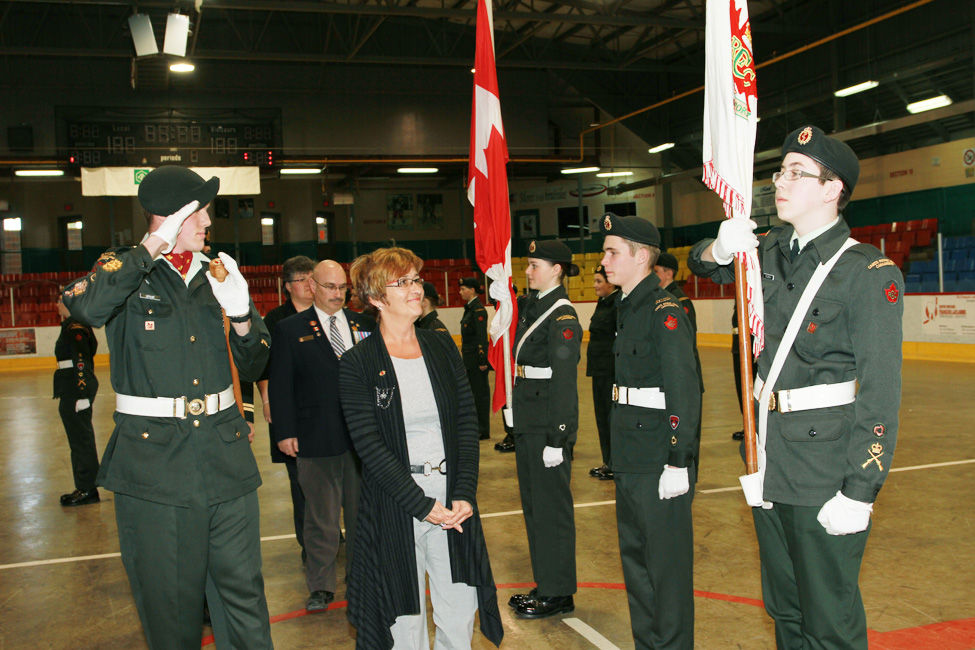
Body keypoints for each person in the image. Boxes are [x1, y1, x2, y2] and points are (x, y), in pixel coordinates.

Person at [688, 125, 904, 650]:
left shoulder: (867, 272)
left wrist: (860, 489)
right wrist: (718, 247)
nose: (779, 183)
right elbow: (697, 264)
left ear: (833, 190)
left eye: (796, 173)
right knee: (784, 609)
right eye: (780, 171)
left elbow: (881, 392)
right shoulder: (767, 251)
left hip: (825, 469)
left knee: (829, 620)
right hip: (767, 456)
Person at [63, 165, 273, 650]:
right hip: (155, 464)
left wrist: (241, 315)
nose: (207, 223)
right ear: (169, 216)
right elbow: (86, 308)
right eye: (198, 212)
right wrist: (151, 246)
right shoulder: (124, 269)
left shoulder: (219, 272)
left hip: (225, 457)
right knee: (170, 608)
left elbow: (259, 360)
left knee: (244, 597)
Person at [339, 247, 503, 650]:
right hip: (394, 503)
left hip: (451, 501)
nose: (417, 288)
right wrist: (419, 503)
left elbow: (467, 422)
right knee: (403, 618)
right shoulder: (357, 363)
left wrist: (464, 492)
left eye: (416, 279)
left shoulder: (441, 346)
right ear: (377, 299)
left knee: (459, 610)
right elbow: (369, 446)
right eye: (404, 283)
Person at [599, 213, 701, 650]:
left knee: (666, 570)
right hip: (630, 454)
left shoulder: (664, 310)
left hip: (659, 459)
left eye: (612, 252)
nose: (604, 261)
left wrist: (678, 461)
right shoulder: (625, 307)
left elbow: (685, 390)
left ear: (641, 256)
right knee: (637, 566)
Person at [270, 260, 371, 613]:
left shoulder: (364, 325)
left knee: (362, 516)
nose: (337, 294)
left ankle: (360, 577)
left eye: (343, 287)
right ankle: (321, 586)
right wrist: (284, 432)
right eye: (330, 287)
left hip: (362, 441)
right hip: (315, 438)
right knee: (321, 520)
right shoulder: (289, 329)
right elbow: (280, 386)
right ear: (312, 286)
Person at [507, 239, 582, 620]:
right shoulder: (534, 306)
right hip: (529, 419)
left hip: (546, 425)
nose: (528, 271)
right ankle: (546, 581)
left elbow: (564, 382)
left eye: (535, 265)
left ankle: (558, 592)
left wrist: (558, 436)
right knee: (535, 507)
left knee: (551, 510)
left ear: (557, 269)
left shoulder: (562, 315)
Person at [257, 255, 317, 561]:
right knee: (300, 480)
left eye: (312, 278)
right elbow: (263, 368)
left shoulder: (327, 313)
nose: (309, 285)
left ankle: (334, 533)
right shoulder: (275, 320)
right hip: (292, 409)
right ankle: (309, 542)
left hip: (324, 412)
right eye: (302, 280)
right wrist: (269, 401)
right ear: (287, 287)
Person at [654, 251, 705, 472]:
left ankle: (688, 475)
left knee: (686, 436)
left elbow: (685, 346)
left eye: (656, 271)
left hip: (685, 379)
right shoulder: (657, 298)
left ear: (669, 273)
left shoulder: (679, 301)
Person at [54, 295, 100, 506]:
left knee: (81, 442)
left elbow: (81, 362)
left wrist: (83, 394)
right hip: (70, 389)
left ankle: (87, 488)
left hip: (75, 391)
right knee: (79, 441)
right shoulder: (72, 326)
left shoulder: (75, 328)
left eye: (59, 301)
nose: (57, 305)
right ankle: (85, 485)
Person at [585, 265, 618, 481]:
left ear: (611, 283)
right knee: (601, 417)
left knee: (612, 417)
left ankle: (616, 462)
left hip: (612, 371)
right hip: (599, 370)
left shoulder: (618, 304)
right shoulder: (603, 303)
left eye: (599, 281)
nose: (595, 285)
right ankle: (609, 460)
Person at [458, 277, 491, 440]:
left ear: (472, 290)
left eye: (463, 289)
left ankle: (483, 429)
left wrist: (482, 360)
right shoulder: (469, 309)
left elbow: (481, 337)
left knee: (480, 394)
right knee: (474, 393)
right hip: (470, 359)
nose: (460, 292)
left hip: (477, 360)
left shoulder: (478, 310)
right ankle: (477, 426)